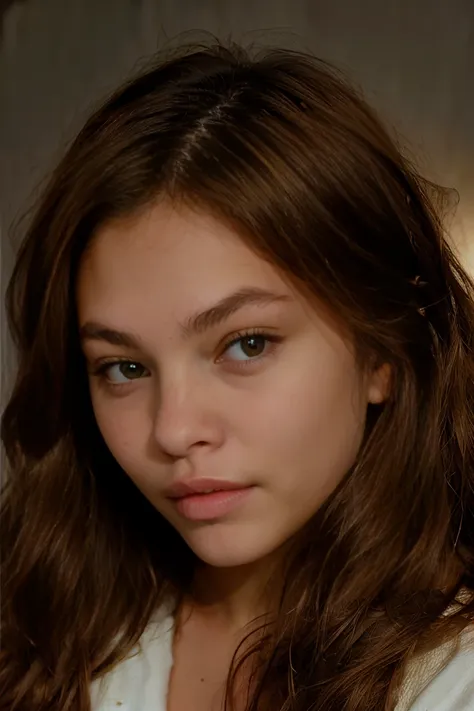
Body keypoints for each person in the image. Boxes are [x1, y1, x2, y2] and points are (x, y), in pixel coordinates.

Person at [1, 42, 474, 711]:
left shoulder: (454, 679)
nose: (173, 429)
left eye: (247, 344)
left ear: (382, 353)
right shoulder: (50, 626)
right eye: (125, 367)